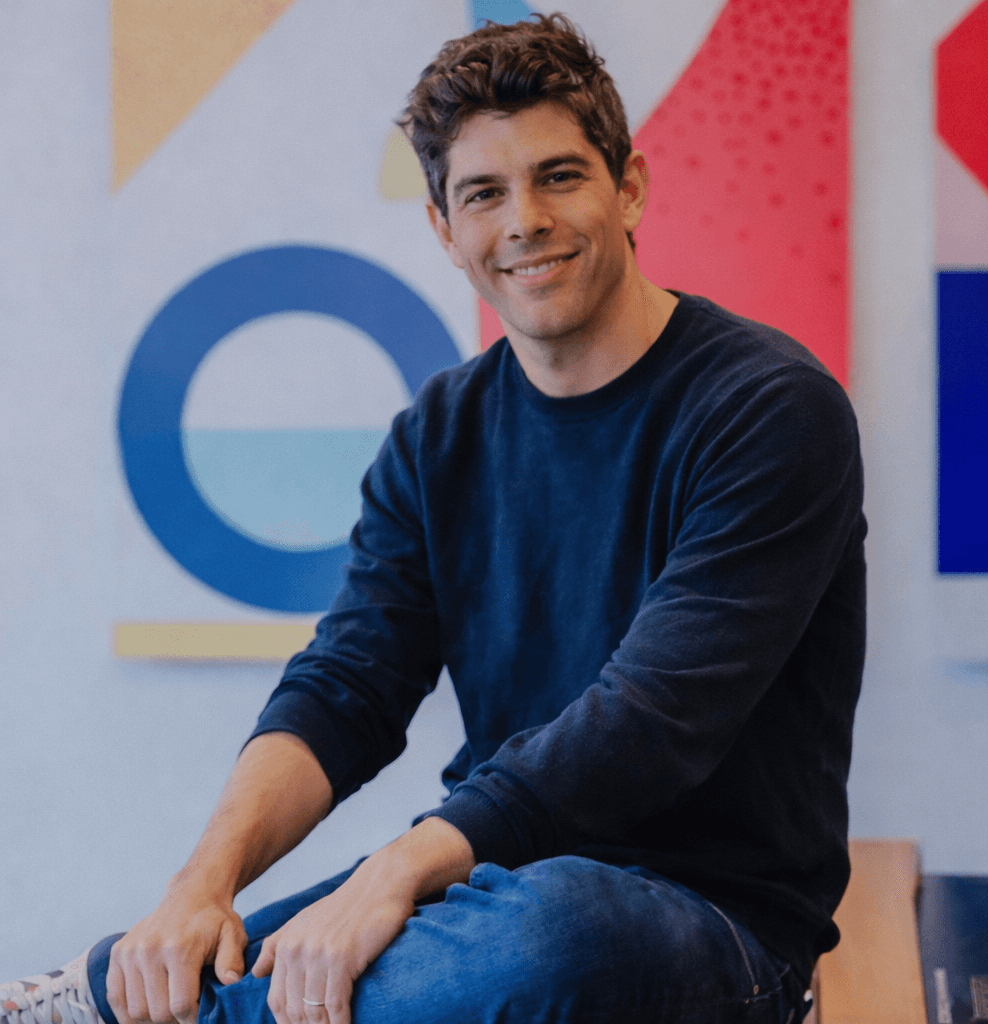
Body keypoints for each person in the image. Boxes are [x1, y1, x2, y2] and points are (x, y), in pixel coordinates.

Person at [1, 13, 866, 1024]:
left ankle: (130, 1008)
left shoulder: (768, 407)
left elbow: (651, 721)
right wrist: (202, 887)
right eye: (483, 193)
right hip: (488, 885)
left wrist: (400, 864)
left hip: (717, 925)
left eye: (558, 176)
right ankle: (143, 990)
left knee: (555, 928)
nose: (523, 221)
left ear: (627, 188)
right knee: (307, 936)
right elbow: (346, 687)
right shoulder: (437, 435)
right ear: (443, 230)